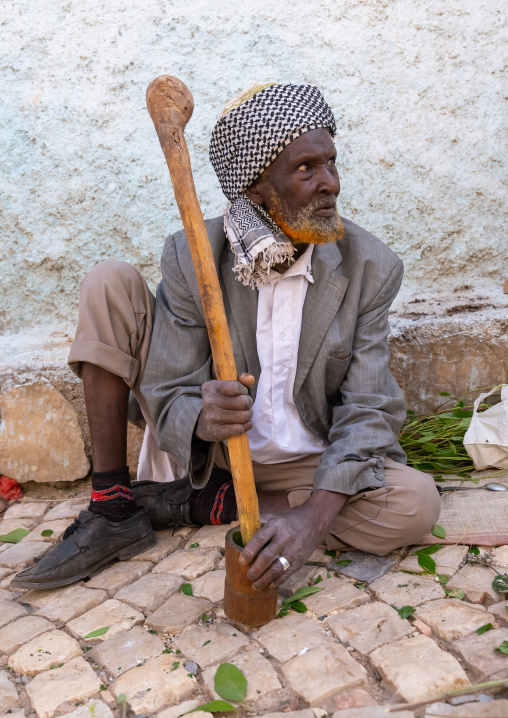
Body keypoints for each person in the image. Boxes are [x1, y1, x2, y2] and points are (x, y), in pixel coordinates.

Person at [12, 82, 440, 592]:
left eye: (330, 162)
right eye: (306, 168)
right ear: (255, 185)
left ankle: (199, 503)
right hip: (212, 453)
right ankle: (113, 507)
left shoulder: (370, 265)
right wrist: (201, 417)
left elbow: (369, 409)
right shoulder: (194, 254)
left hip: (305, 464)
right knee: (109, 280)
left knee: (416, 505)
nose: (330, 183)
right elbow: (169, 390)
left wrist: (313, 521)